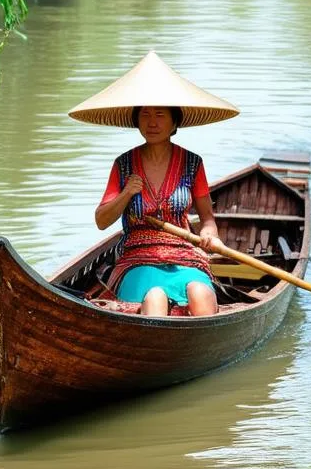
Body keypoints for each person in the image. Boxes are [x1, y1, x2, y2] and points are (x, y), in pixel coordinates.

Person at [95, 105, 224, 316]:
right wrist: (126, 193)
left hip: (184, 253)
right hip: (137, 256)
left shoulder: (193, 163)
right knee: (155, 297)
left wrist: (209, 234)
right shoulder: (123, 164)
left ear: (174, 123)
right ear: (137, 121)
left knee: (199, 293)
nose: (152, 122)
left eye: (160, 115)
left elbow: (207, 218)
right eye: (145, 115)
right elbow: (101, 221)